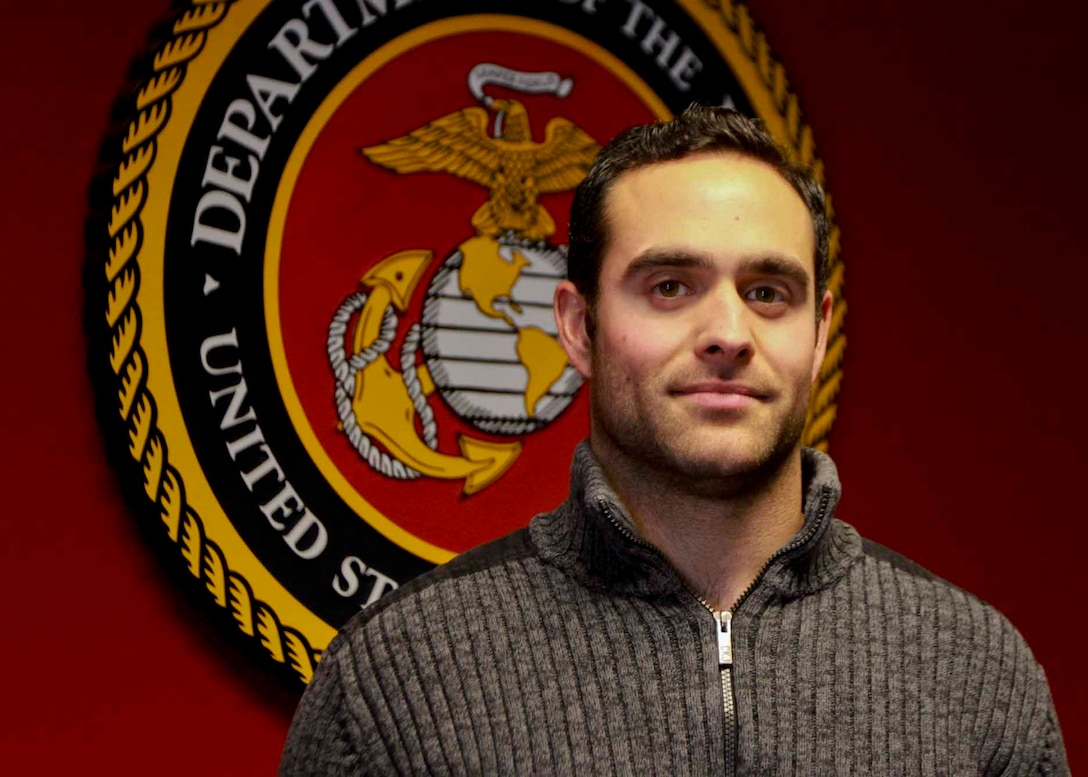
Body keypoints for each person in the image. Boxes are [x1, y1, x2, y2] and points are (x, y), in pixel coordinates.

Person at [280, 105, 1068, 775]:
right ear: (579, 326)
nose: (728, 332)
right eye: (669, 287)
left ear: (820, 331)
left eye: (768, 292)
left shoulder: (978, 674)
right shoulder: (397, 678)